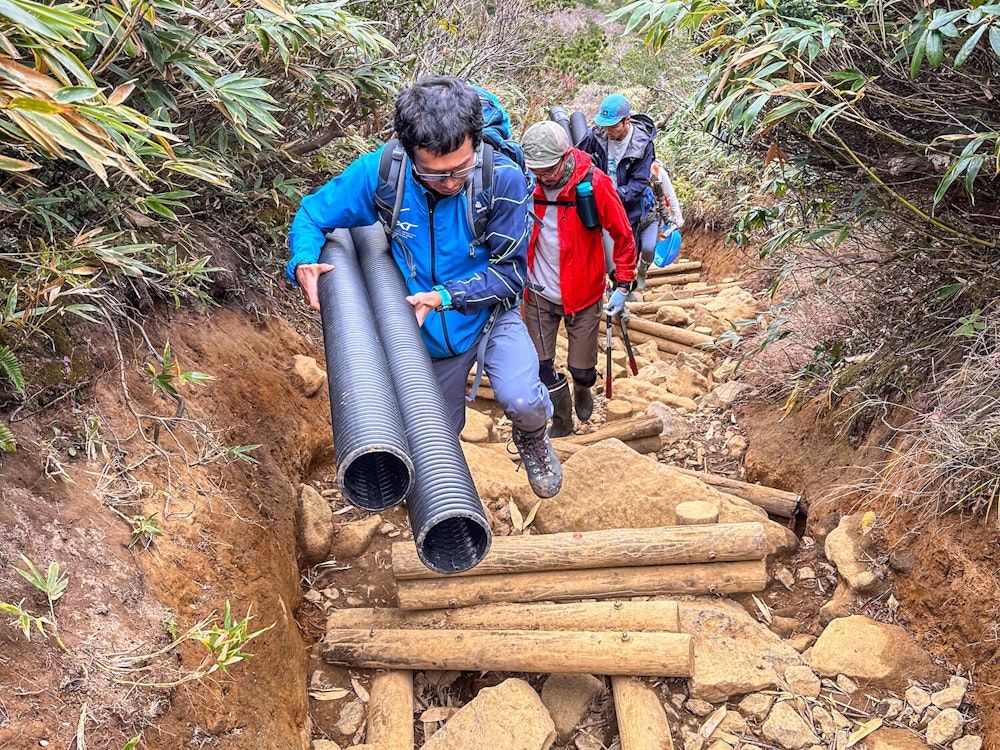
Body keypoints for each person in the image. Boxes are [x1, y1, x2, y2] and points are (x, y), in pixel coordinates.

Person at [287, 76, 562, 499]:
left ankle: (532, 438)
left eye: (460, 169)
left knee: (523, 399)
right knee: (435, 437)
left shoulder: (501, 179)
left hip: (488, 314)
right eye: (435, 174)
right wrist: (304, 258)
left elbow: (510, 273)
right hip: (423, 328)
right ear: (408, 150)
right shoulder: (384, 174)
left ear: (475, 140)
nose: (451, 182)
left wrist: (448, 296)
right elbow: (312, 213)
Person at [519, 121, 637, 437]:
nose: (542, 176)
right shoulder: (526, 183)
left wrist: (623, 283)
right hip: (538, 293)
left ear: (566, 155)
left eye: (547, 169)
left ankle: (583, 386)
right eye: (536, 170)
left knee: (581, 370)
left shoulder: (595, 184)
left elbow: (623, 234)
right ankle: (562, 419)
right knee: (541, 368)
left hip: (583, 293)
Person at [577, 94, 659, 290]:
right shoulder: (595, 136)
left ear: (627, 120)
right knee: (603, 250)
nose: (608, 131)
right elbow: (577, 160)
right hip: (598, 203)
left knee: (627, 247)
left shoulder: (642, 144)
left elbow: (639, 182)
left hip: (629, 206)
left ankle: (626, 287)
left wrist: (614, 195)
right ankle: (609, 287)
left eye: (613, 126)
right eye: (605, 125)